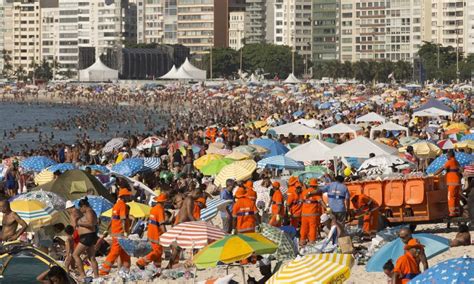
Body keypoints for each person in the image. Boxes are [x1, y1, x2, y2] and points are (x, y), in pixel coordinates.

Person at [99, 188, 131, 276]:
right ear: (124, 196)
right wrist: (125, 232)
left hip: (115, 232)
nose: (129, 196)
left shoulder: (116, 205)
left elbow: (112, 219)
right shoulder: (123, 205)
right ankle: (103, 271)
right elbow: (123, 219)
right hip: (120, 234)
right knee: (114, 253)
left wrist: (107, 230)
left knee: (125, 253)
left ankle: (125, 270)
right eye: (128, 195)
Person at [137, 193, 167, 271]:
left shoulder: (153, 209)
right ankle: (141, 262)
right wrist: (166, 234)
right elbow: (161, 224)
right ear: (164, 202)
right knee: (158, 251)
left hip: (151, 233)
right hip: (157, 234)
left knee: (157, 252)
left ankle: (157, 268)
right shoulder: (160, 210)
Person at [73, 197, 99, 280]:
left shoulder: (89, 211)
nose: (80, 210)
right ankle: (96, 276)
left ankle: (82, 274)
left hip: (87, 236)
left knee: (75, 254)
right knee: (91, 257)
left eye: (80, 208)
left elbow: (91, 224)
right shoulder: (90, 212)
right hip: (90, 236)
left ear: (84, 206)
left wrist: (80, 223)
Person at [434, 149, 462, 217]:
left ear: (450, 155)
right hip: (457, 182)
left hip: (452, 183)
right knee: (456, 197)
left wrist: (434, 173)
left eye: (447, 155)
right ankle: (457, 212)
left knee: (451, 197)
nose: (446, 157)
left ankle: (452, 212)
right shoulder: (456, 162)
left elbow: (442, 168)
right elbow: (460, 170)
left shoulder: (450, 161)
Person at [300, 178, 324, 246]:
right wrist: (327, 208)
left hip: (304, 214)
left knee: (303, 227)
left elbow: (302, 201)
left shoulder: (304, 192)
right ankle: (312, 242)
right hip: (312, 214)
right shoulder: (315, 193)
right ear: (315, 185)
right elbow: (321, 201)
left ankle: (302, 241)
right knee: (312, 227)